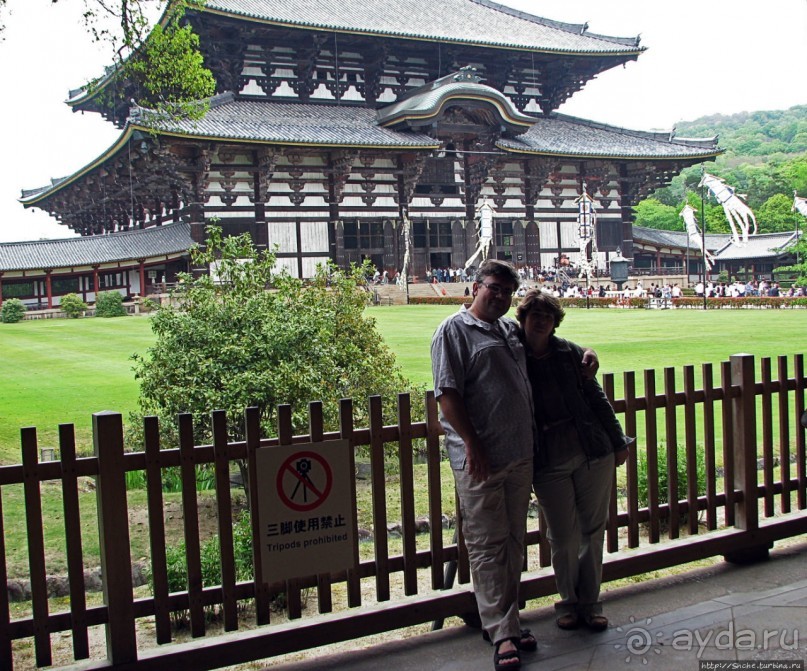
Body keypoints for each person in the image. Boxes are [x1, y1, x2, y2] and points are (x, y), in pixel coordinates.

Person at [431, 259, 536, 671]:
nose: (500, 296)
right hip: (480, 458)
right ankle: (503, 633)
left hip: (518, 453)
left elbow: (548, 348)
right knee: (487, 544)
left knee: (512, 541)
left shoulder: (510, 330)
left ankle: (506, 619)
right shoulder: (452, 331)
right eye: (494, 287)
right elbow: (447, 395)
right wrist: (472, 443)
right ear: (475, 287)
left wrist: (588, 354)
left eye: (508, 291)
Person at [515, 289, 631, 633]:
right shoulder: (512, 353)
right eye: (535, 315)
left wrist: (618, 440)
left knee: (593, 532)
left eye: (547, 317)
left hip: (591, 450)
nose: (541, 321)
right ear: (522, 318)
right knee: (563, 536)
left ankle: (590, 603)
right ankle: (567, 600)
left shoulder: (569, 353)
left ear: (555, 323)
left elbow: (596, 397)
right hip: (547, 457)